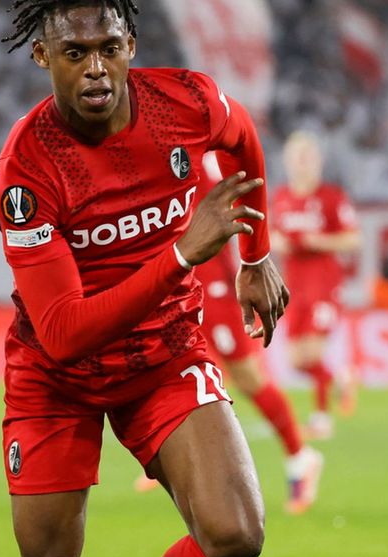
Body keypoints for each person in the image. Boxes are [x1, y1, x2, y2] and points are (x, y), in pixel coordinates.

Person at [0, 0, 288, 557]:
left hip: (164, 352)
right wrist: (185, 252)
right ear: (43, 58)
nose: (97, 67)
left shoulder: (186, 102)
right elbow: (67, 329)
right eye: (76, 53)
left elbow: (243, 140)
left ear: (132, 44)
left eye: (110, 47)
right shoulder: (27, 169)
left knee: (236, 534)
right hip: (58, 376)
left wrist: (255, 254)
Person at [135, 152, 322, 515]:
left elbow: (223, 216)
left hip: (212, 287)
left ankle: (301, 457)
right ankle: (163, 460)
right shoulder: (150, 146)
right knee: (171, 370)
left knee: (245, 376)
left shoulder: (191, 155)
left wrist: (241, 271)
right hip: (178, 282)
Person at [272, 131, 361, 440]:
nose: (302, 162)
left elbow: (353, 238)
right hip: (292, 287)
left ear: (318, 161)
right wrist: (279, 243)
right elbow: (269, 235)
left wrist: (316, 241)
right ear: (287, 161)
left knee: (312, 353)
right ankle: (339, 379)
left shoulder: (331, 197)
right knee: (296, 360)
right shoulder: (281, 197)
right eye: (297, 156)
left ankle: (321, 419)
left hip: (324, 284)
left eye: (308, 156)